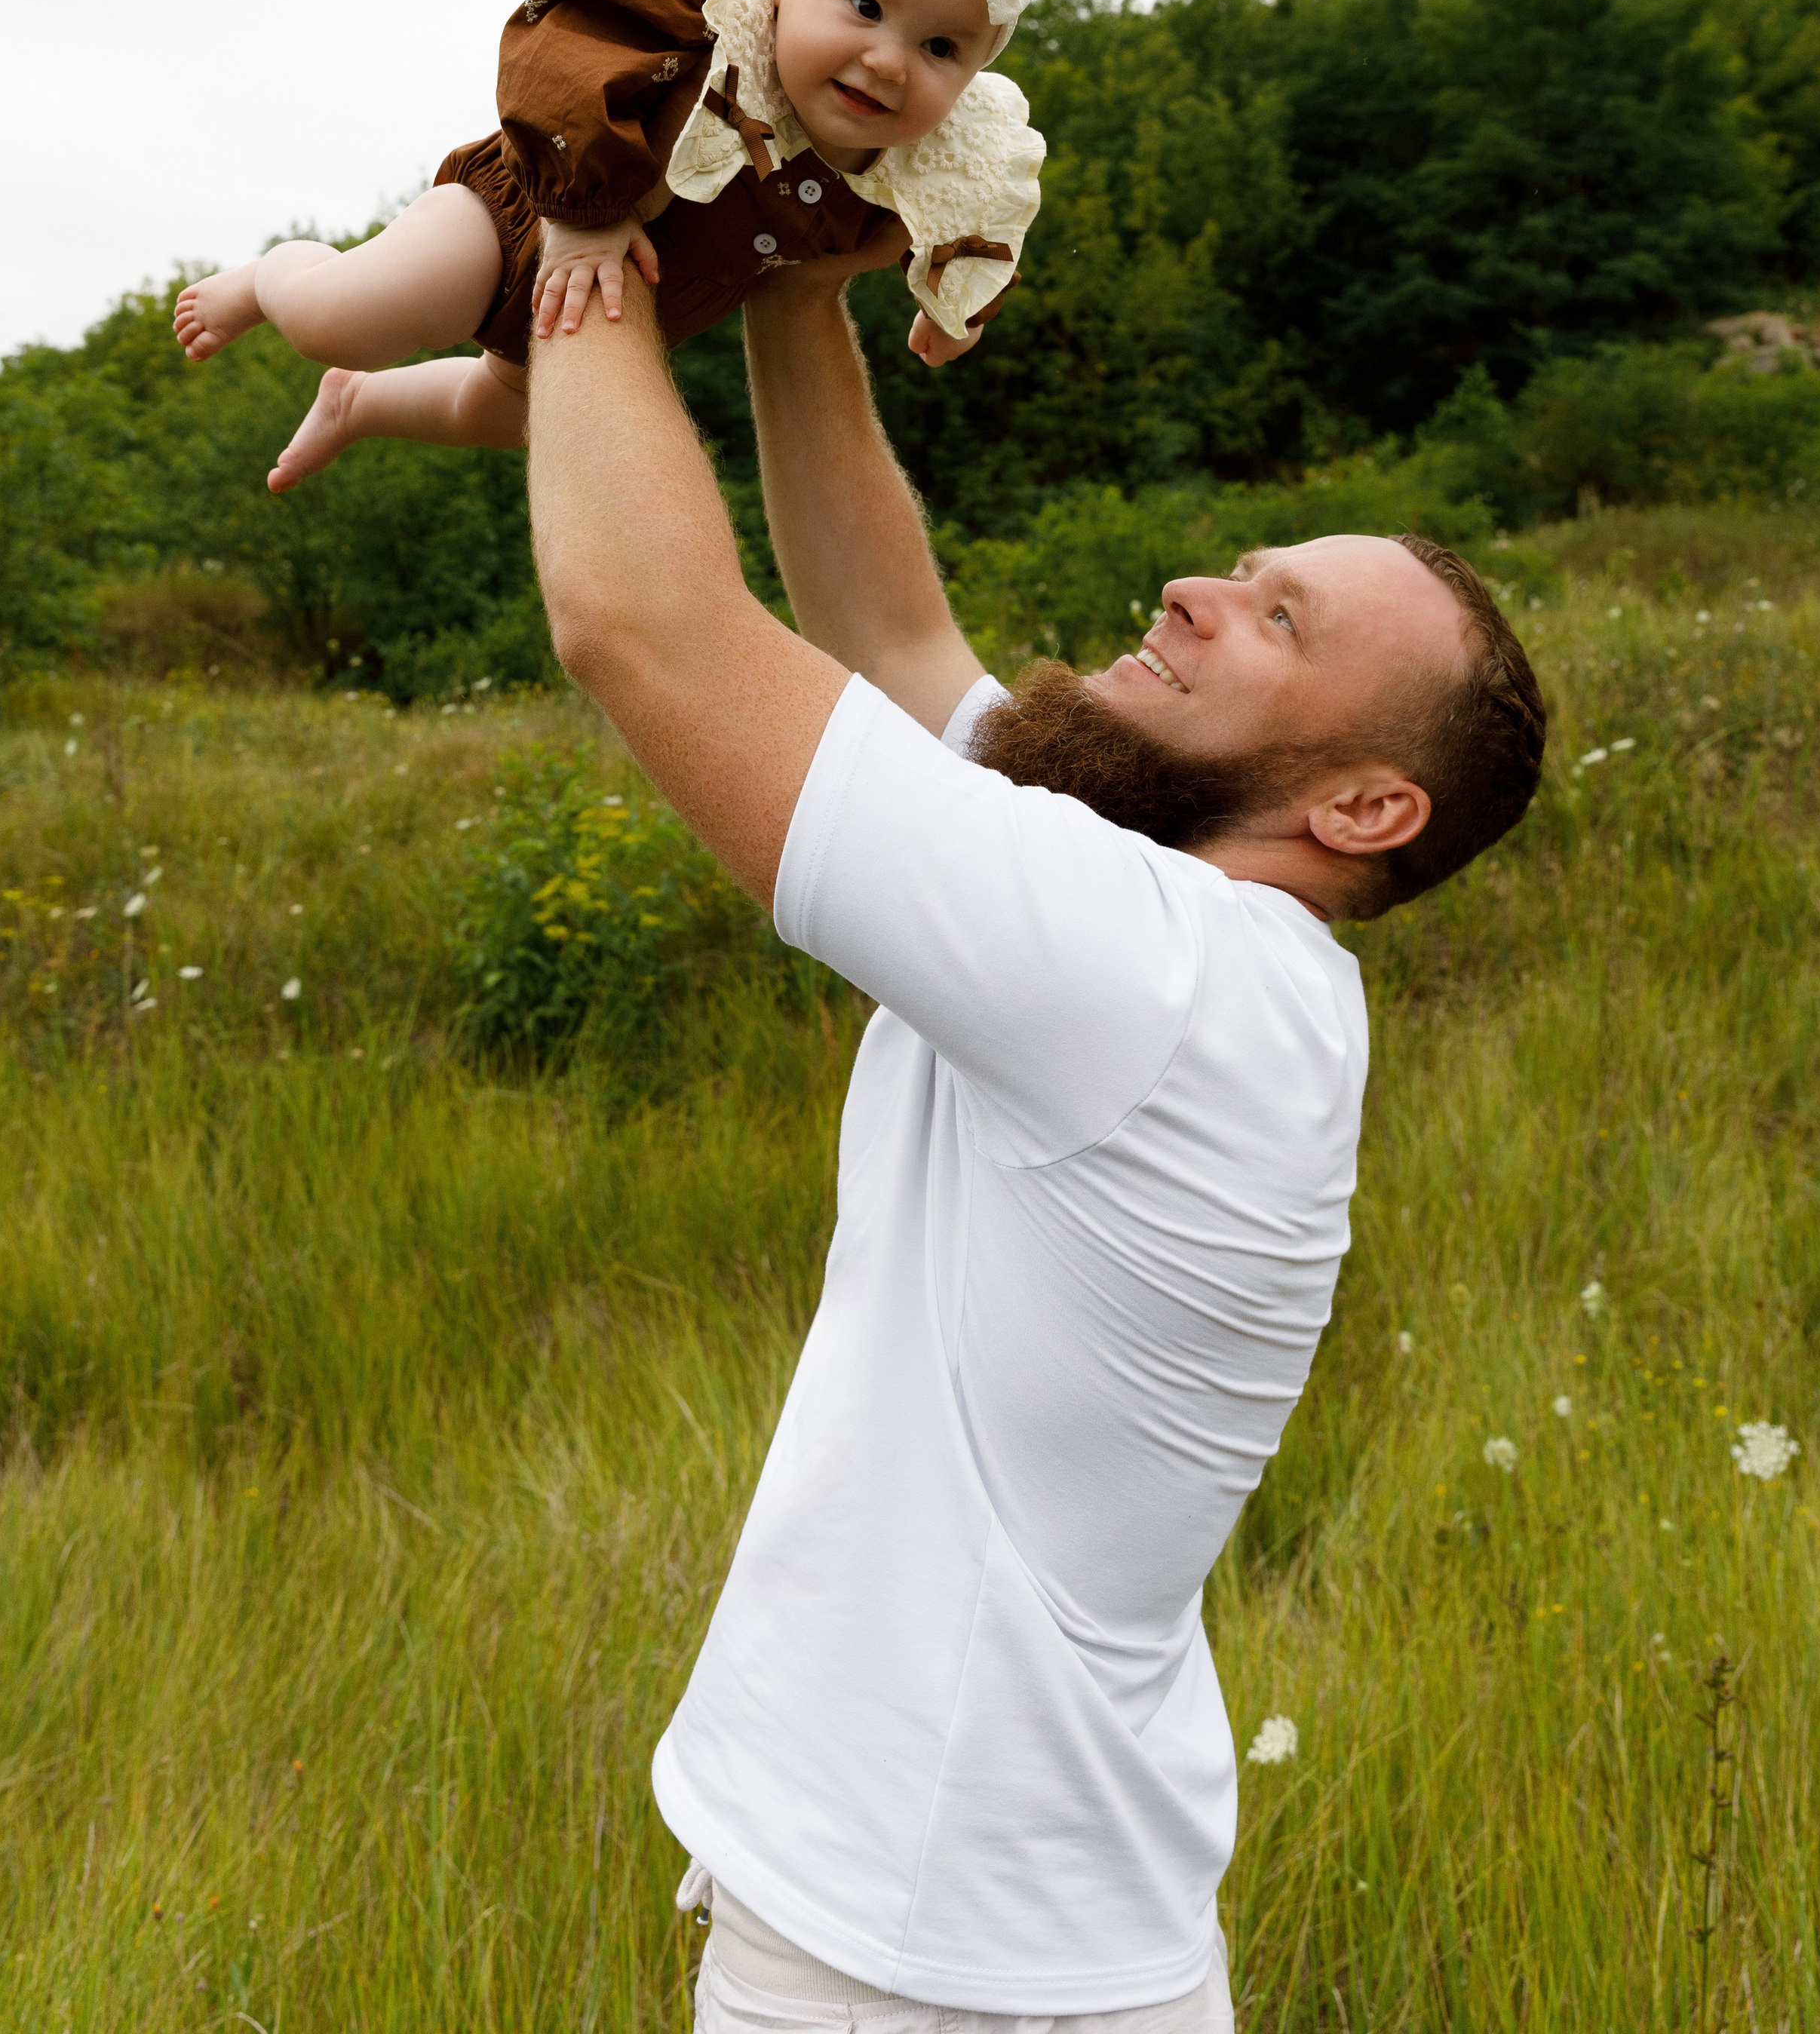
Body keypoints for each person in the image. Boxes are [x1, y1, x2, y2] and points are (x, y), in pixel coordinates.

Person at [526, 241, 1547, 2028]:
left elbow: (640, 619)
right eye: (1241, 566)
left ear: (1361, 802)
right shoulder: (1176, 924)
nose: (1191, 591)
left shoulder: (1147, 968)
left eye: (1275, 616)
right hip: (1015, 1920)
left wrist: (583, 206)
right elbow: (893, 629)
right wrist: (786, 285)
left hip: (911, 1962)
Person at [170, 0, 1071, 489]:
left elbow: (979, 208)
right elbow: (556, 43)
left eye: (942, 49)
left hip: (610, 311)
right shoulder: (705, 19)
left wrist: (958, 301)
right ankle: (277, 275)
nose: (889, 60)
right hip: (518, 220)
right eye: (865, 7)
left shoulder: (924, 152)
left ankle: (355, 404)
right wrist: (582, 212)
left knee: (498, 414)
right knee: (349, 319)